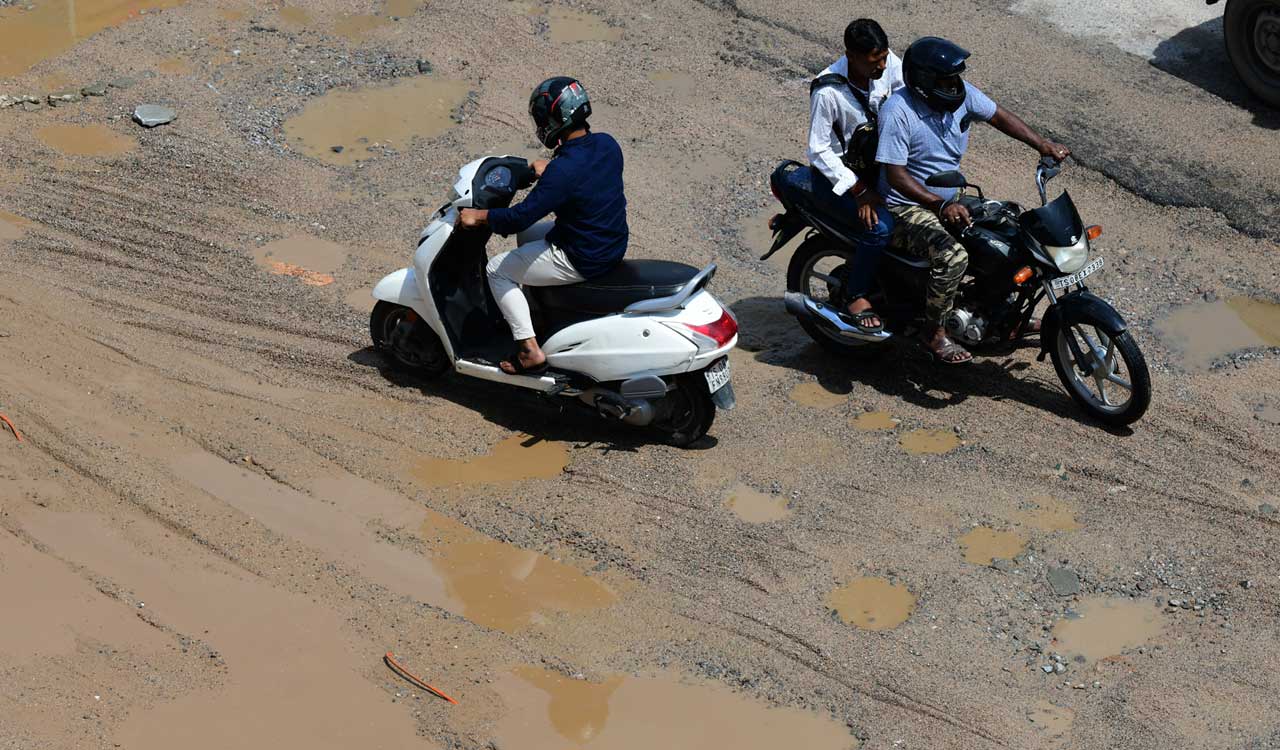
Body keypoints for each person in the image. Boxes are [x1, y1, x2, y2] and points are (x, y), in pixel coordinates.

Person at [876, 37, 1070, 364]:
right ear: (923, 81)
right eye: (946, 79)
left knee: (1014, 228)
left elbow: (998, 116)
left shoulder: (961, 96)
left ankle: (1002, 312)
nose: (955, 85)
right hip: (904, 207)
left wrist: (1042, 144)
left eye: (956, 77)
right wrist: (939, 205)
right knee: (952, 257)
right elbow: (895, 175)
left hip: (950, 198)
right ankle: (934, 333)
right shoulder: (899, 111)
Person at [458, 77, 628, 375]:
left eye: (542, 118)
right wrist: (552, 167)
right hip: (607, 242)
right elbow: (583, 173)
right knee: (528, 237)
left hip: (581, 256)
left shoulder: (563, 172)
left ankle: (529, 349)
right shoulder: (607, 144)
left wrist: (480, 216)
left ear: (555, 119)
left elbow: (520, 216)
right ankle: (541, 311)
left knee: (498, 270)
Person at [806, 18, 904, 334]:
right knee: (879, 229)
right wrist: (859, 191)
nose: (883, 66)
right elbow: (819, 150)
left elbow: (908, 99)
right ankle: (856, 293)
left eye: (884, 58)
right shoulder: (828, 91)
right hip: (842, 179)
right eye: (874, 61)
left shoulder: (889, 66)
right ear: (851, 56)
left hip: (880, 169)